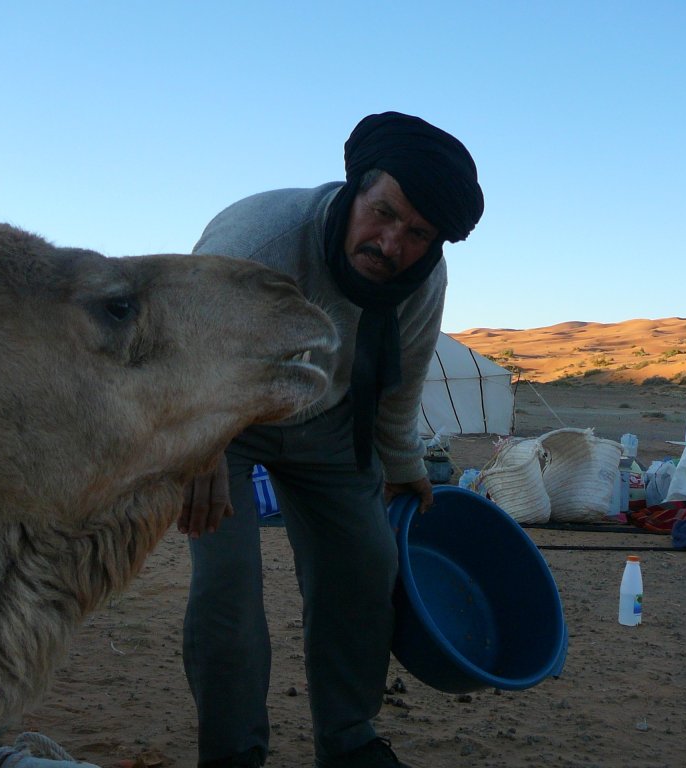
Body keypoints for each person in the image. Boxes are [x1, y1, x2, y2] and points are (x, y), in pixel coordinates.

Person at [178, 111, 485, 768]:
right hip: (222, 418)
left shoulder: (422, 277)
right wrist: (197, 446)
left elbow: (400, 378)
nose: (392, 242)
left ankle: (348, 742)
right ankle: (232, 754)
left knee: (367, 568)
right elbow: (181, 353)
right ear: (357, 191)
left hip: (329, 421)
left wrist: (402, 464)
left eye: (417, 233)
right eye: (383, 213)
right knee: (227, 590)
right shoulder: (259, 241)